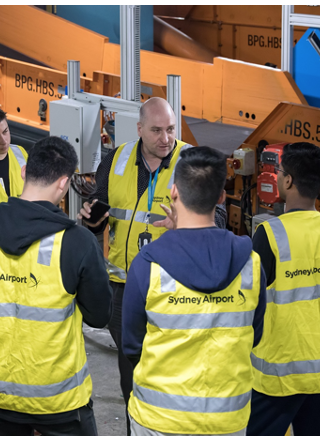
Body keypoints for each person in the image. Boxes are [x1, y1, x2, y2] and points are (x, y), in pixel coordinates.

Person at [78, 97, 227, 433]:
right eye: (157, 130)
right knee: (130, 364)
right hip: (123, 286)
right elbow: (103, 211)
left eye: (171, 129)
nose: (166, 138)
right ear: (139, 129)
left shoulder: (190, 161)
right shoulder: (116, 160)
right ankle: (138, 427)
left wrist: (186, 224)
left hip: (174, 286)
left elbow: (217, 217)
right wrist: (92, 219)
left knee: (173, 362)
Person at [0, 136, 112, 436]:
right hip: (59, 400)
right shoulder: (76, 241)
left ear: (24, 171)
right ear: (63, 184)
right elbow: (99, 316)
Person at [122, 146, 267, 436]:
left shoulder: (149, 264)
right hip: (226, 420)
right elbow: (256, 334)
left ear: (173, 191)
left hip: (159, 420)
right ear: (222, 197)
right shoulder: (250, 263)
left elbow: (131, 345)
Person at [247, 142, 320, 436]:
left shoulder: (270, 235)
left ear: (288, 180)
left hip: (276, 378)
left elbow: (247, 302)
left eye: (279, 171)